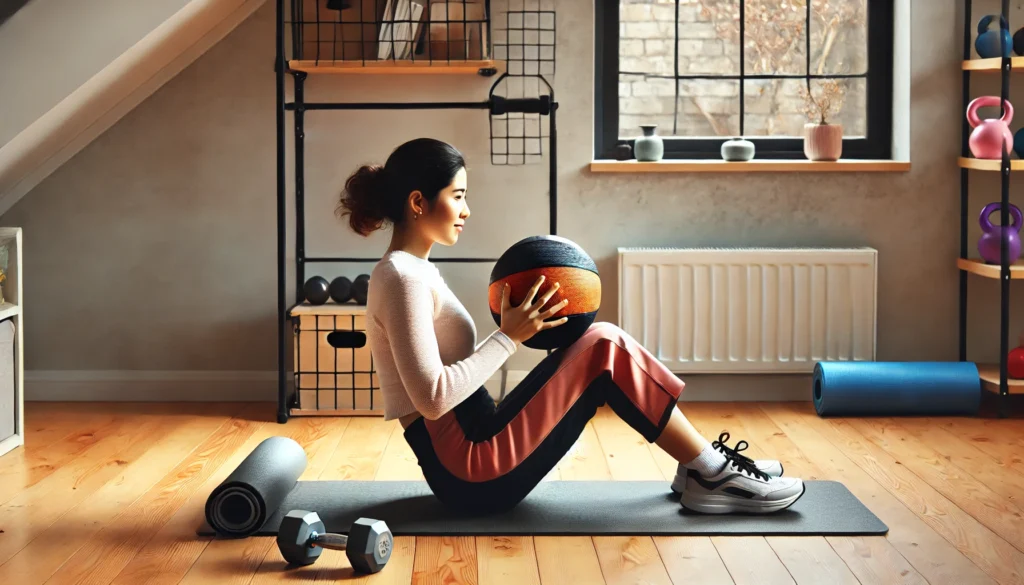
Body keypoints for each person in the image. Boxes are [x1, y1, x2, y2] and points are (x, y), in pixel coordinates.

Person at [337, 137, 805, 516]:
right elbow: (432, 397)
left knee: (597, 342)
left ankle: (699, 464)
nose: (466, 210)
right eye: (457, 196)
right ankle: (711, 472)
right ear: (419, 202)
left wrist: (524, 336)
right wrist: (509, 338)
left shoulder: (412, 271)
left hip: (476, 438)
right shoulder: (399, 276)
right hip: (468, 468)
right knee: (604, 345)